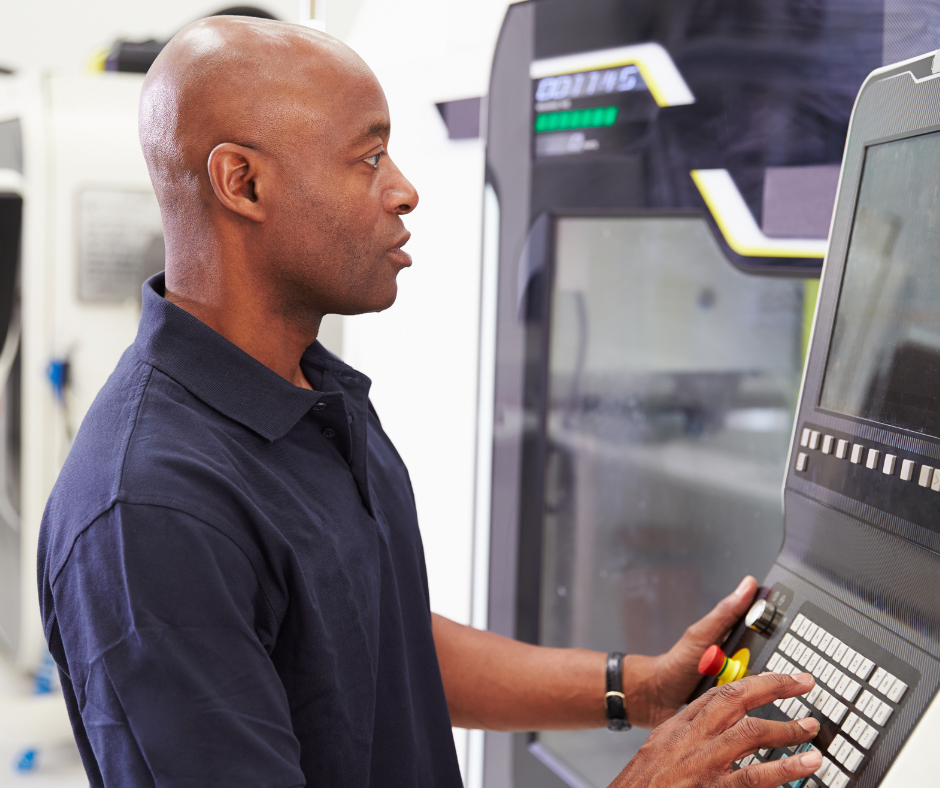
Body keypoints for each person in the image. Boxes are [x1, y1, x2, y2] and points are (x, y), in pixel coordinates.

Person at [37, 16, 823, 788]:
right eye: (369, 157)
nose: (404, 190)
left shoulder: (312, 392)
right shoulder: (152, 514)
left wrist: (636, 687)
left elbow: (382, 645)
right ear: (243, 182)